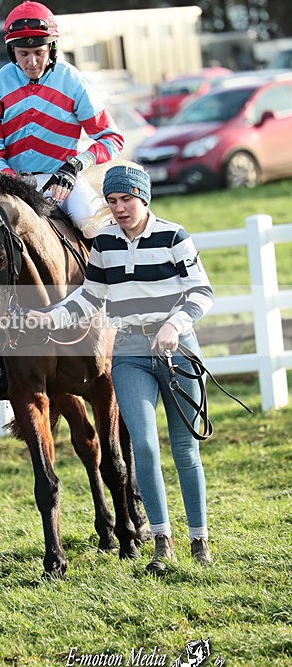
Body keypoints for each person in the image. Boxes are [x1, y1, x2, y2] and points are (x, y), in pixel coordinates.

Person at [26, 161, 214, 575]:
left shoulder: (174, 236)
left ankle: (198, 538)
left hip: (178, 349)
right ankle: (161, 542)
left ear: (143, 198)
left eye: (126, 199)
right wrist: (51, 317)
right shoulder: (105, 244)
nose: (119, 208)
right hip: (129, 350)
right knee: (143, 447)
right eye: (111, 201)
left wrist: (174, 324)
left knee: (185, 449)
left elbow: (201, 291)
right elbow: (90, 297)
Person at [0, 0, 124, 399]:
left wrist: (73, 167)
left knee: (102, 231)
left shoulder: (73, 80)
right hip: (13, 184)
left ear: (52, 49)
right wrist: (13, 186)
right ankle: (6, 367)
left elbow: (112, 138)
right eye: (23, 54)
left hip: (65, 178)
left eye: (38, 53)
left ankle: (124, 327)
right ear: (12, 52)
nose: (31, 61)